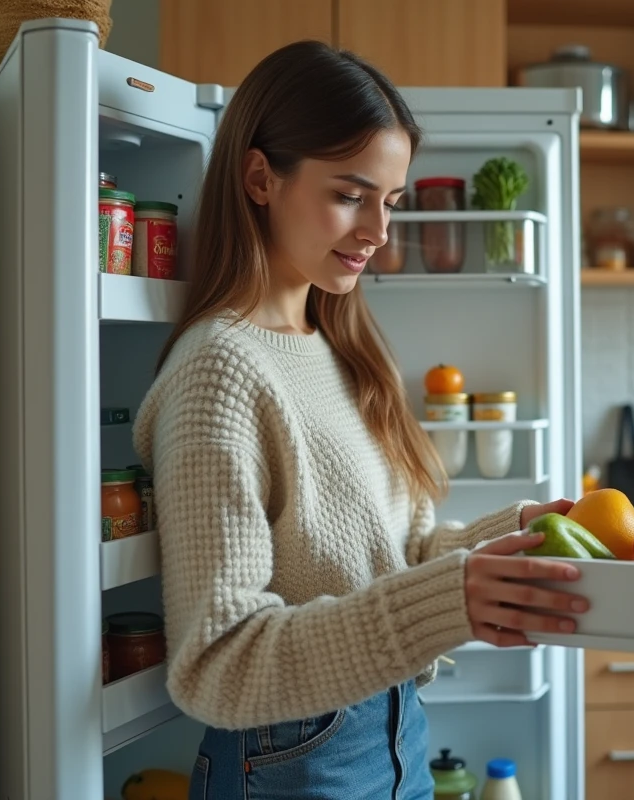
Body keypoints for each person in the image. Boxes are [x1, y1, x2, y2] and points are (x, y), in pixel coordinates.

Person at [131, 40, 588, 800]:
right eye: (351, 194)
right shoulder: (220, 371)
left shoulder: (336, 344)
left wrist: (506, 541)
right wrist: (456, 599)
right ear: (259, 179)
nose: (379, 229)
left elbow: (389, 554)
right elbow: (218, 662)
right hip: (294, 762)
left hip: (398, 728)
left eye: (393, 200)